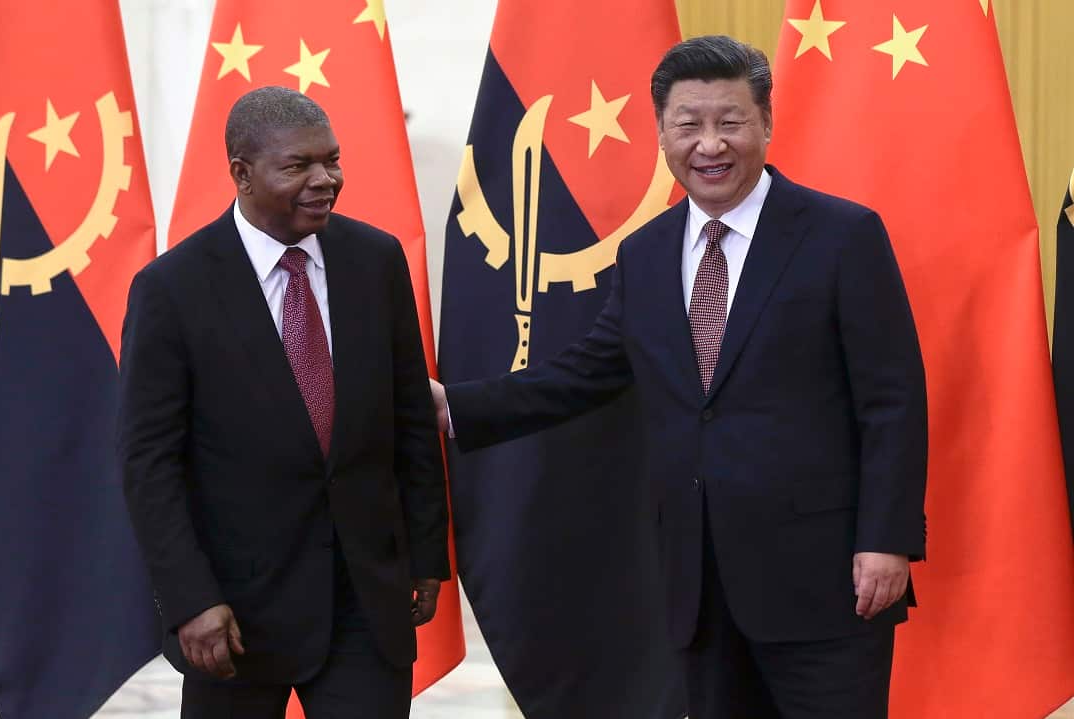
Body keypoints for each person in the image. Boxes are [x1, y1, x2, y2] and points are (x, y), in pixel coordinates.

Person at [432, 35, 927, 718]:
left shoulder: (842, 236)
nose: (710, 144)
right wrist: (454, 405)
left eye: (730, 122)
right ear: (661, 132)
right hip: (698, 582)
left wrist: (887, 538)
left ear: (766, 124)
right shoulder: (646, 251)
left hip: (826, 578)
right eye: (688, 124)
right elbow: (586, 371)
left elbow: (892, 401)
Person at [117, 86, 449, 719]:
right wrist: (189, 599)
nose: (325, 180)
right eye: (299, 166)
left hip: (366, 601)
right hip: (233, 614)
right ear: (241, 173)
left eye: (332, 160)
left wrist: (427, 554)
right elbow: (148, 461)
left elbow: (409, 417)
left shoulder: (376, 260)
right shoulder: (172, 288)